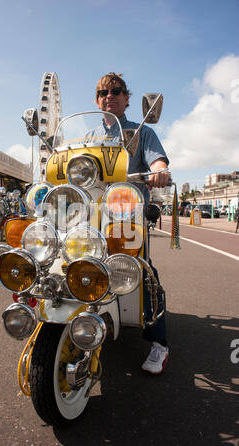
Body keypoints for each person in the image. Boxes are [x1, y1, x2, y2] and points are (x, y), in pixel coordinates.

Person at [95, 72, 170, 374]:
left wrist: (160, 169)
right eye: (103, 92)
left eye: (116, 91)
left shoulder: (141, 132)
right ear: (96, 100)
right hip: (90, 217)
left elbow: (157, 161)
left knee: (143, 272)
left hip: (126, 217)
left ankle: (159, 343)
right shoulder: (88, 138)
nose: (109, 96)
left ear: (127, 98)